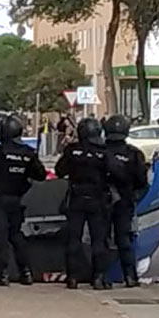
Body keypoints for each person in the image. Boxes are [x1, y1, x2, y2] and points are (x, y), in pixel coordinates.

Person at [0, 114, 47, 286]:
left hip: (0, 199)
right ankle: (26, 272)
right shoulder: (28, 153)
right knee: (16, 235)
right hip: (18, 199)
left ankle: (1, 275)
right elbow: (41, 175)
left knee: (0, 236)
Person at [56, 118, 110, 290]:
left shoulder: (72, 150)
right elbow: (116, 172)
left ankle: (72, 277)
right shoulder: (103, 152)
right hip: (98, 199)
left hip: (76, 198)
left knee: (73, 239)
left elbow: (59, 170)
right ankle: (98, 277)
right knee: (98, 240)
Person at [104, 115, 148, 287]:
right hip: (124, 200)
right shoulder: (134, 154)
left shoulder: (100, 151)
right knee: (124, 238)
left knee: (101, 239)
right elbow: (142, 181)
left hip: (102, 199)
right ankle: (130, 276)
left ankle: (101, 277)